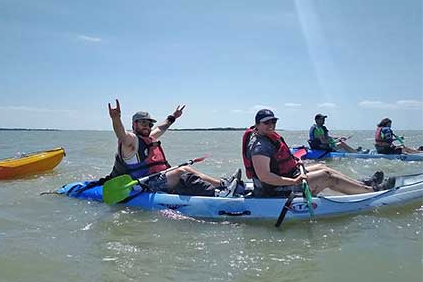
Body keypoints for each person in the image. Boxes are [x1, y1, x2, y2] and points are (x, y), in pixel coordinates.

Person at [242, 109, 394, 198]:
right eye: (266, 123)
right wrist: (294, 182)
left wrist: (295, 162)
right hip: (275, 189)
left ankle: (362, 184)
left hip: (289, 175)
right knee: (326, 176)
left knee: (322, 166)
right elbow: (265, 177)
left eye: (273, 122)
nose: (271, 125)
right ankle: (372, 191)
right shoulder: (259, 146)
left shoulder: (266, 137)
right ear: (257, 125)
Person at [106, 99, 240, 197]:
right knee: (180, 172)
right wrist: (116, 119)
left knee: (185, 169)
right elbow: (121, 135)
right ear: (134, 124)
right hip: (143, 184)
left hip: (157, 177)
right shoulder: (131, 142)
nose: (147, 126)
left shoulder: (148, 137)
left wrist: (173, 117)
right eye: (142, 123)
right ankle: (217, 195)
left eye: (148, 123)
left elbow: (161, 127)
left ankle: (222, 184)